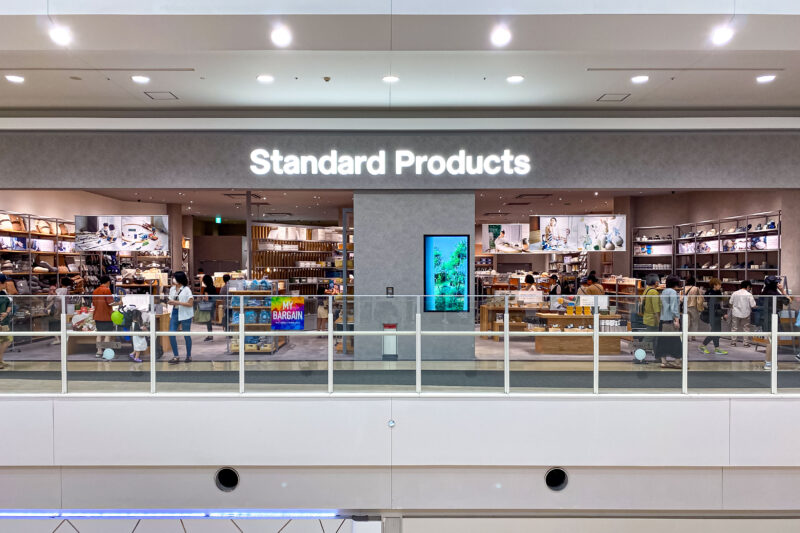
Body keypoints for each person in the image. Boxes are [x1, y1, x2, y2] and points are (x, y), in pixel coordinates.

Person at [759, 276, 790, 371]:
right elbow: (788, 301)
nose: (778, 284)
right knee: (772, 341)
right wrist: (782, 290)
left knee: (769, 340)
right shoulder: (775, 293)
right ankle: (769, 362)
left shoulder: (764, 292)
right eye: (777, 283)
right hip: (772, 319)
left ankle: (768, 361)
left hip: (764, 318)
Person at [167, 271, 194, 364]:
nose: (173, 279)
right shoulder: (172, 289)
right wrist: (171, 302)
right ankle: (176, 356)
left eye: (174, 278)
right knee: (171, 334)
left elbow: (190, 304)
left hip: (185, 313)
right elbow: (170, 300)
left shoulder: (187, 290)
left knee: (186, 335)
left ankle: (189, 356)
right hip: (175, 312)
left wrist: (177, 302)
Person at [656, 275, 682, 369]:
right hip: (670, 320)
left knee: (663, 341)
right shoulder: (673, 292)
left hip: (663, 320)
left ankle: (664, 362)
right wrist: (677, 319)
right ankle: (677, 362)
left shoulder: (664, 291)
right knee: (676, 342)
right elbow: (674, 307)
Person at [698, 278, 729, 355]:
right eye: (719, 284)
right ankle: (703, 345)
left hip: (716, 314)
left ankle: (716, 348)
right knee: (715, 331)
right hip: (712, 315)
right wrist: (722, 314)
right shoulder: (711, 293)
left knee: (716, 332)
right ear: (714, 285)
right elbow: (714, 306)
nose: (720, 286)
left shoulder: (717, 292)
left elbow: (718, 306)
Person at [92, 275, 114, 358]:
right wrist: (119, 303)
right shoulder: (107, 290)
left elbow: (94, 304)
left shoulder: (95, 291)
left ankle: (99, 351)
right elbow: (110, 303)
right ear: (108, 282)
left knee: (99, 334)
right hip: (107, 316)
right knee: (107, 334)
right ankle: (106, 352)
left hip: (97, 315)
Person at [730, 280, 756, 348]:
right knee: (746, 328)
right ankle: (745, 343)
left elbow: (730, 303)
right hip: (746, 313)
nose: (750, 289)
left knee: (734, 328)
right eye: (750, 287)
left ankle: (733, 342)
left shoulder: (735, 293)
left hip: (735, 313)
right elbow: (753, 305)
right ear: (748, 286)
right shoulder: (749, 294)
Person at [683, 276, 705, 341]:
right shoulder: (696, 288)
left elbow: (681, 298)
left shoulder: (683, 288)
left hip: (685, 307)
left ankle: (686, 336)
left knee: (687, 322)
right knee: (694, 321)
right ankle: (693, 336)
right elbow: (700, 297)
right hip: (694, 306)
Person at [199, 274, 217, 342]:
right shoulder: (213, 287)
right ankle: (210, 335)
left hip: (208, 306)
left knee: (208, 321)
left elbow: (206, 298)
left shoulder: (206, 289)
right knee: (209, 320)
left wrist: (203, 298)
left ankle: (210, 335)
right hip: (213, 305)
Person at [0, 274, 12, 370]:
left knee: (7, 340)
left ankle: (0, 360)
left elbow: (9, 304)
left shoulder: (3, 293)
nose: (6, 284)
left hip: (4, 322)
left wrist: (7, 313)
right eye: (5, 282)